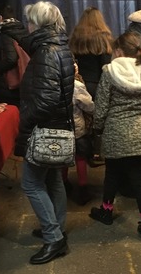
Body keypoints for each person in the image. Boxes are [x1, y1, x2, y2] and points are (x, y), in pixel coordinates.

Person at [2, 1, 74, 265]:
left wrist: (26, 122)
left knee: (31, 184)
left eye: (30, 21)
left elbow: (45, 101)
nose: (28, 26)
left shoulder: (46, 52)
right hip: (57, 127)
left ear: (39, 24)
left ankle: (54, 238)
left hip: (44, 129)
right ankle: (55, 228)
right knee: (53, 181)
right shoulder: (59, 46)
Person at [88, 32, 141, 243]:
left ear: (118, 51)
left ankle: (106, 211)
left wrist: (98, 128)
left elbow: (101, 105)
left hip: (115, 131)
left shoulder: (110, 72)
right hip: (140, 133)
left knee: (111, 175)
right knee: (138, 181)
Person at [62, 62, 94, 205]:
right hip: (77, 127)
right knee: (80, 156)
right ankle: (83, 188)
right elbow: (89, 106)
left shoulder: (53, 83)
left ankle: (63, 184)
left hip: (60, 127)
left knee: (63, 156)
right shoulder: (77, 86)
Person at [68, 7, 113, 98]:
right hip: (97, 85)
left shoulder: (75, 38)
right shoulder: (104, 39)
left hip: (77, 84)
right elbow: (106, 66)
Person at [0, 5, 25, 107]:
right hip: (25, 78)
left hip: (11, 84)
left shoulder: (6, 33)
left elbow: (11, 59)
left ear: (0, 18)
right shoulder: (22, 30)